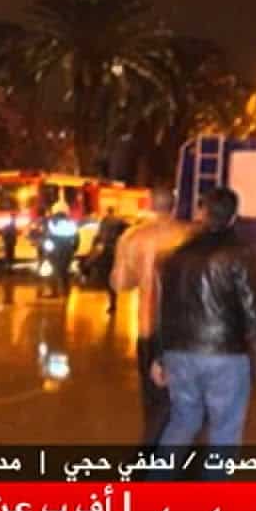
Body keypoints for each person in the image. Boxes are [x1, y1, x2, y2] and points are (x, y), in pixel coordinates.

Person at [153, 187, 256, 454]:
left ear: (202, 213)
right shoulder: (241, 255)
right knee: (225, 432)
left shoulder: (176, 256)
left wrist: (161, 356)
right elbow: (253, 313)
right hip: (225, 356)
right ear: (233, 217)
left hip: (180, 354)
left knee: (182, 422)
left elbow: (165, 310)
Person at [111, 187, 192, 443]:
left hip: (148, 328)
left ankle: (154, 450)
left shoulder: (132, 237)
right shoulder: (189, 235)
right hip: (184, 330)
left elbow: (120, 283)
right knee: (184, 401)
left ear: (149, 204)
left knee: (154, 399)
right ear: (174, 205)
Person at [94, 207, 127, 314]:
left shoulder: (103, 221)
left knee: (107, 275)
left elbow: (98, 236)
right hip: (116, 251)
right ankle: (113, 299)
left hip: (106, 251)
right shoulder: (120, 221)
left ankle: (112, 302)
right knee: (113, 275)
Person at [45, 206, 79, 298]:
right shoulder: (71, 225)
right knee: (65, 271)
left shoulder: (52, 225)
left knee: (55, 271)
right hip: (68, 250)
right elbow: (76, 239)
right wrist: (74, 249)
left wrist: (48, 251)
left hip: (56, 251)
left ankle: (54, 291)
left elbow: (48, 239)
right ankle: (66, 291)